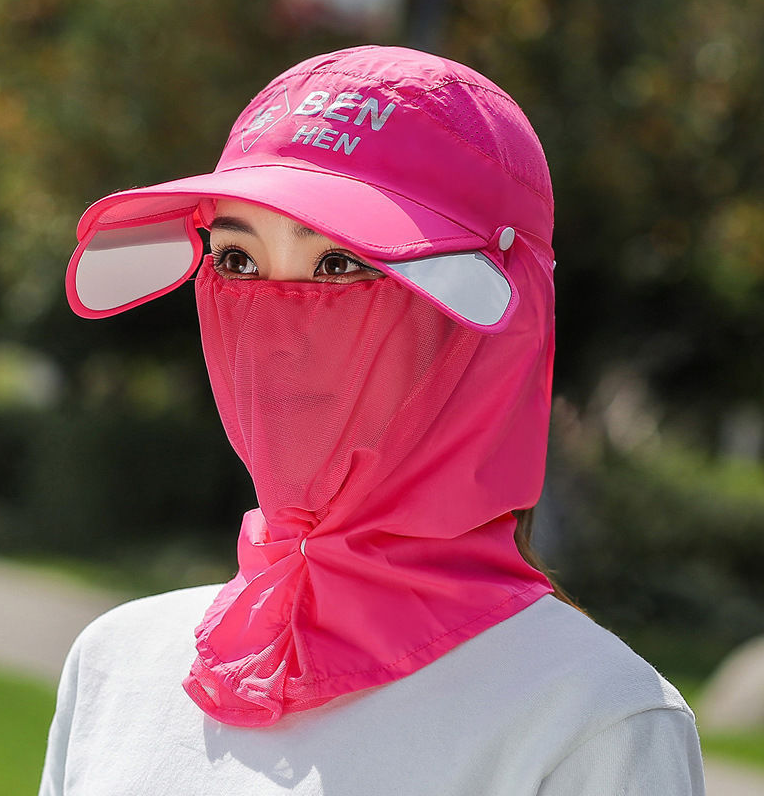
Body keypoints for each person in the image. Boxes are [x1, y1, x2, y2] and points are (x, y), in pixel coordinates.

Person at [39, 45, 705, 794]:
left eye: (340, 265)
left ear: (491, 336)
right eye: (236, 260)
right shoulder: (113, 667)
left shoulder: (594, 724)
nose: (280, 336)